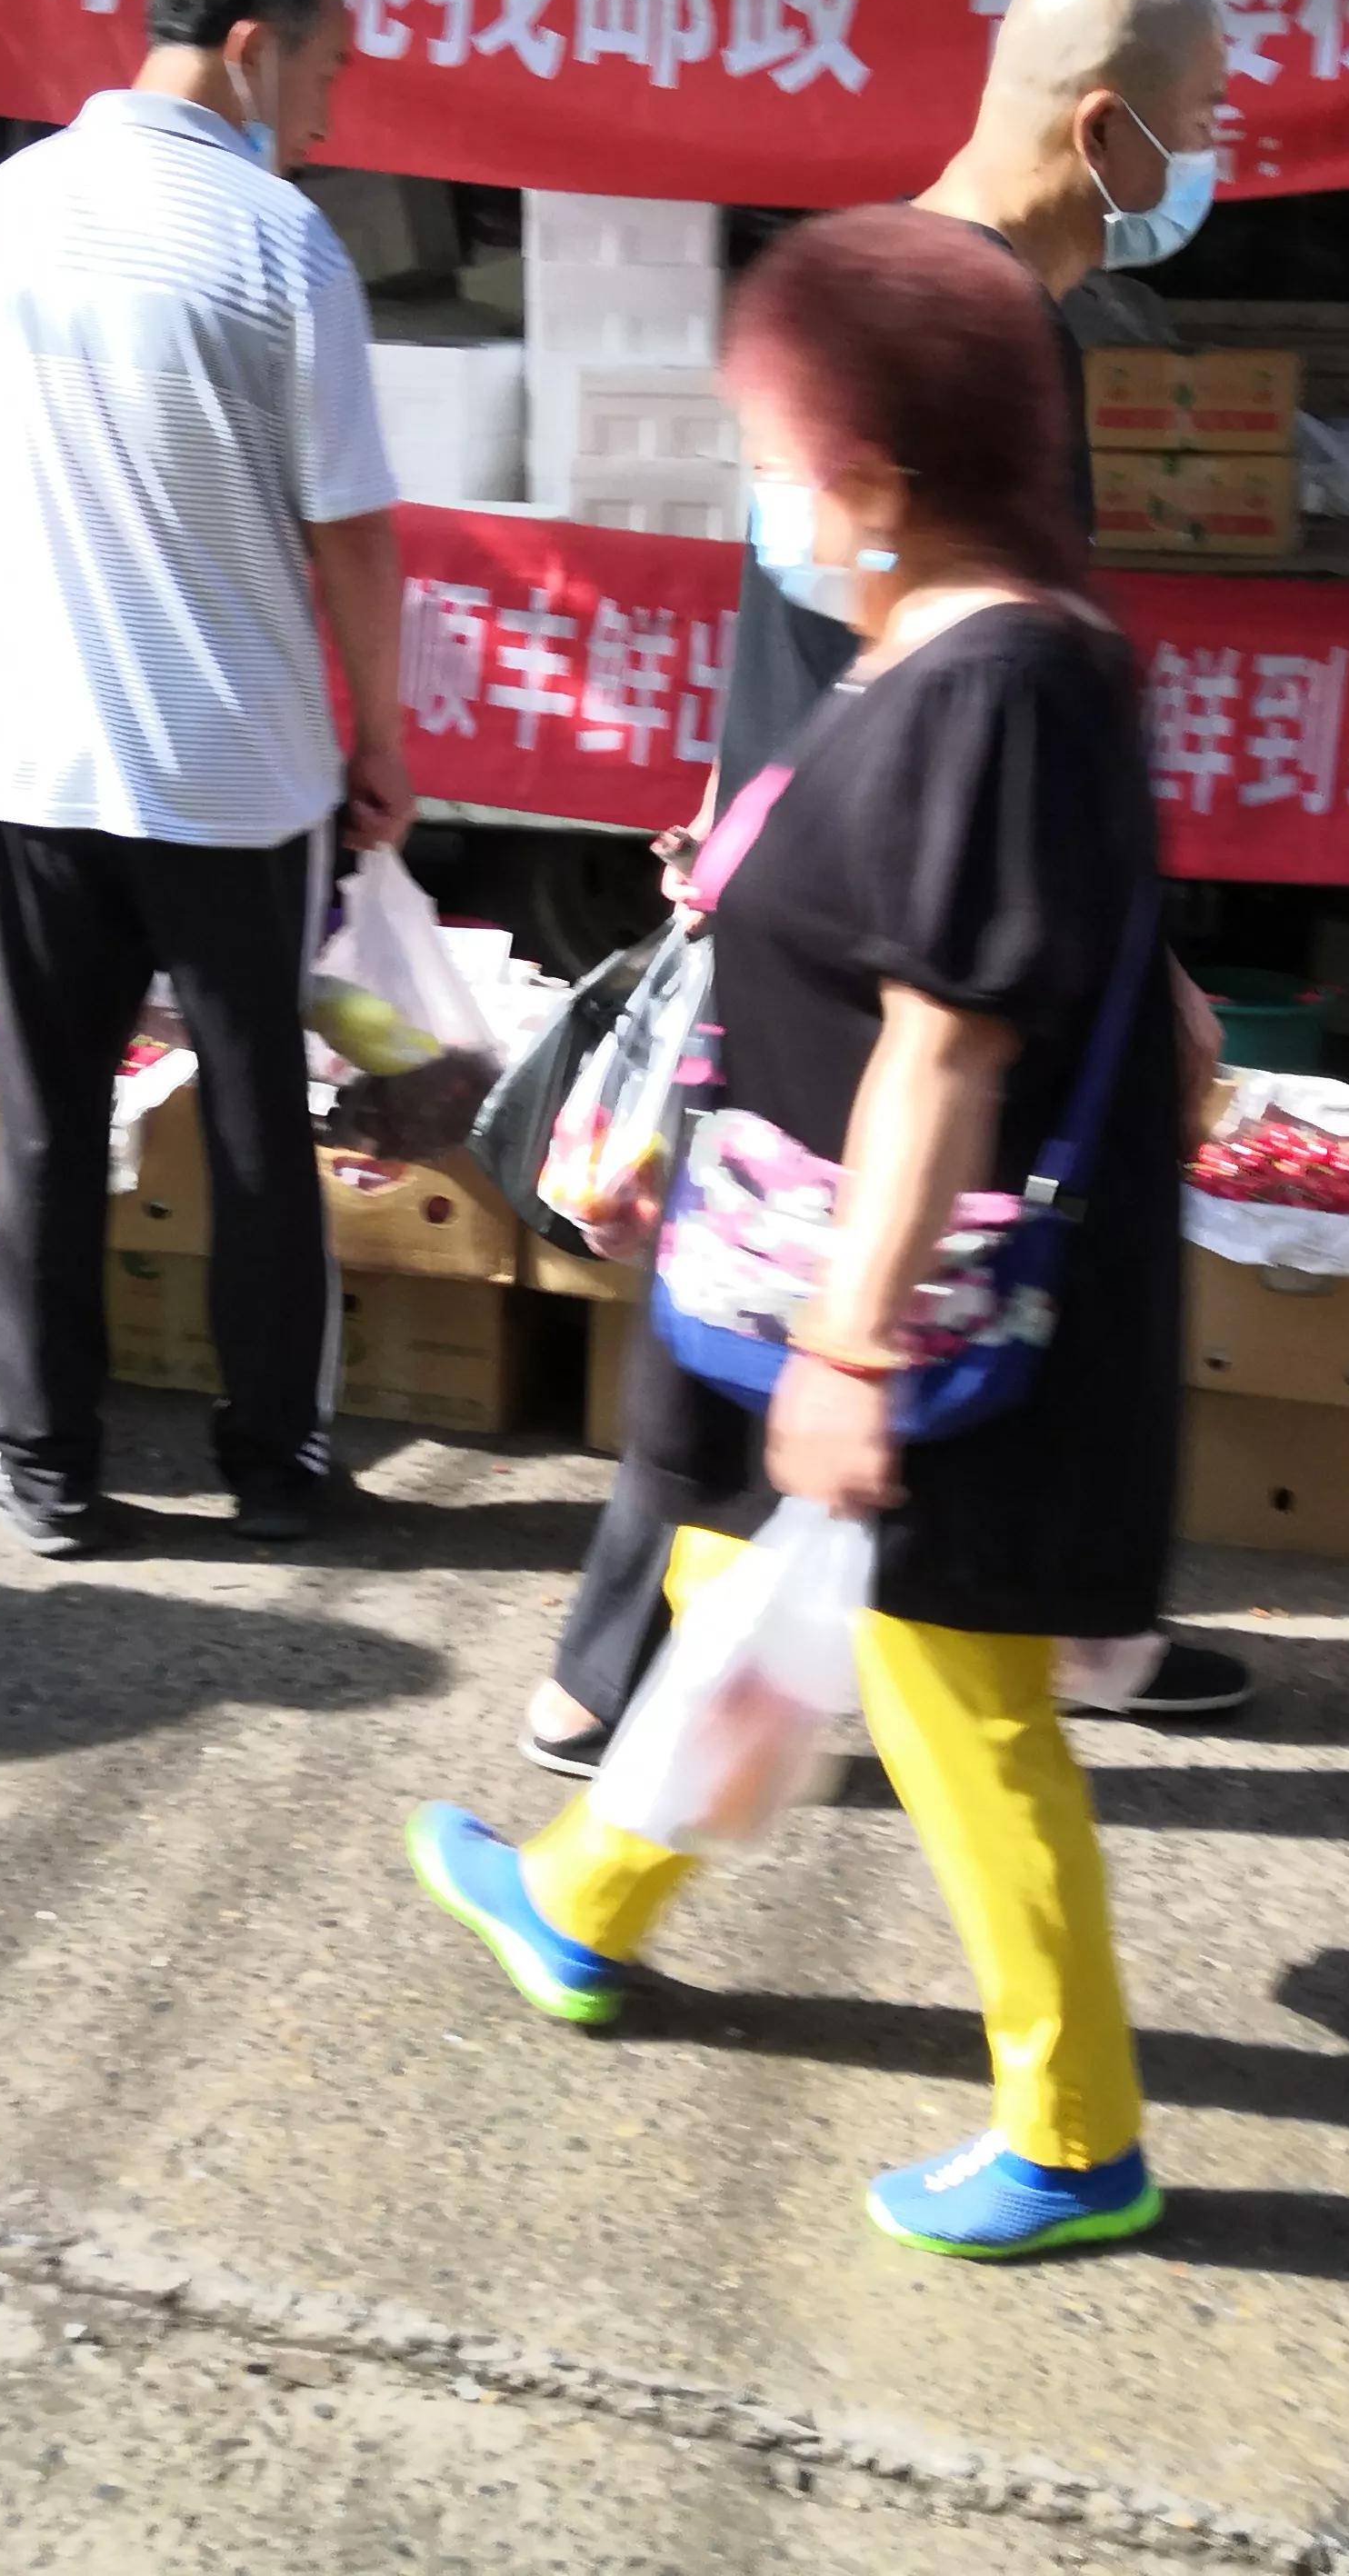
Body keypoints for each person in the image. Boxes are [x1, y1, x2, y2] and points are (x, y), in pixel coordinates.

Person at [407, 209, 1176, 2261]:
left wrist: (851, 1354)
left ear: (886, 470)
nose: (755, 488)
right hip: (817, 1272)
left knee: (966, 1716)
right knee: (753, 1612)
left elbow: (950, 1039)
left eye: (771, 446)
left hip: (913, 1324)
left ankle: (1079, 2134)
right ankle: (580, 1907)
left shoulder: (998, 678)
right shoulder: (931, 647)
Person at [521, 0, 1248, 1775]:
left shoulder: (876, 290)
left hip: (807, 890)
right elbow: (965, 687)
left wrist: (730, 803)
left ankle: (632, 1690)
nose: (1219, 151)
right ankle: (1007, 1655)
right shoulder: (981, 343)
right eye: (1201, 121)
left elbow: (800, 620)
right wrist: (1132, 967)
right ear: (1104, 132)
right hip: (891, 925)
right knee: (888, 1302)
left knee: (767, 1297)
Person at [0, 0, 414, 1557]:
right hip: (235, 771)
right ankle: (273, 1463)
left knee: (50, 1115)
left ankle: (42, 1465)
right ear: (255, 47)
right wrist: (382, 731)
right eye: (323, 72)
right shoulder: (278, 241)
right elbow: (349, 530)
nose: (325, 115)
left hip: (41, 762)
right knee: (258, 1123)